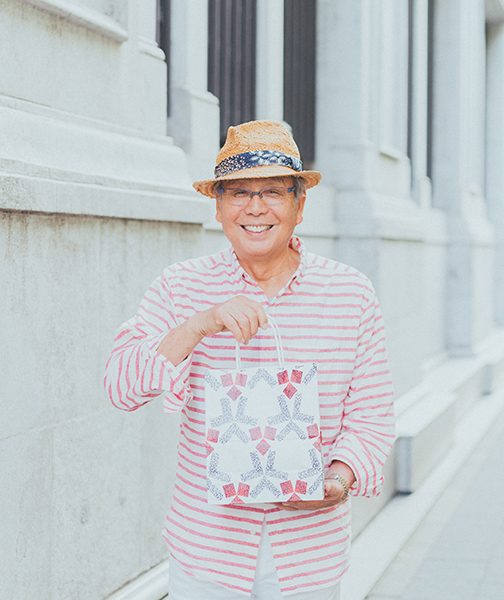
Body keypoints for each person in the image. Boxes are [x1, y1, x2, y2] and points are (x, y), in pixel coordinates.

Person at [104, 120, 396, 599]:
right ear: (217, 206)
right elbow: (121, 387)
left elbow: (373, 414)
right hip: (207, 551)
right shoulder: (181, 287)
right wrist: (200, 324)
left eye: (273, 192)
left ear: (300, 206)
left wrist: (339, 479)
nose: (255, 207)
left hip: (309, 554)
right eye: (239, 192)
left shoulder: (349, 293)